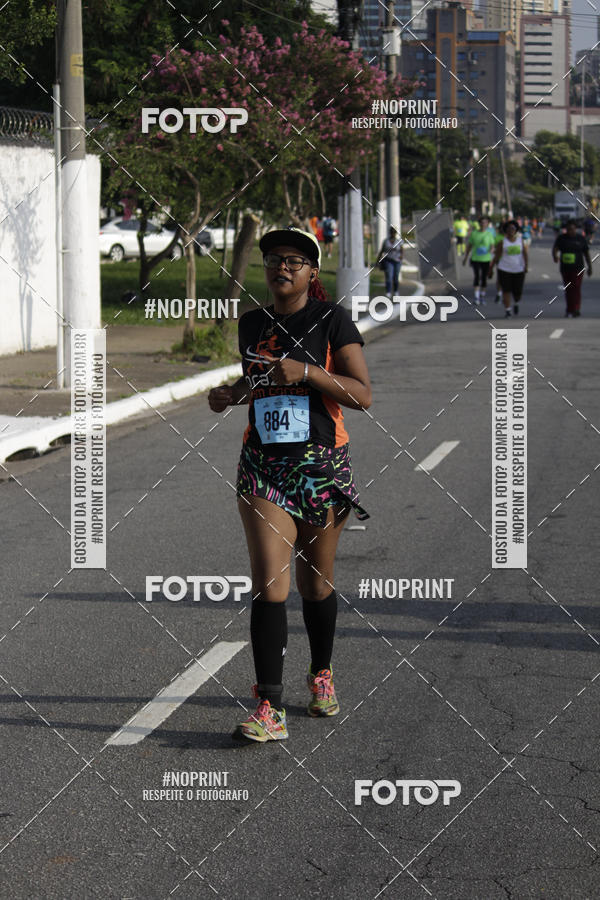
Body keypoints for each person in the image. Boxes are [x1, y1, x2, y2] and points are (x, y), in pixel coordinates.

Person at [207, 226, 372, 743]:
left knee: (314, 584)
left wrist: (309, 371)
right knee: (270, 586)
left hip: (321, 465)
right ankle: (269, 707)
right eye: (275, 259)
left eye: (294, 261)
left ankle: (320, 672)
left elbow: (363, 395)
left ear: (311, 273)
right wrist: (231, 394)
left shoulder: (332, 320)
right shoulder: (251, 322)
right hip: (262, 466)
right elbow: (259, 381)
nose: (282, 267)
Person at [552, 218, 592, 317]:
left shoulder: (580, 239)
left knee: (576, 288)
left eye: (572, 229)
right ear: (566, 229)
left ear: (575, 229)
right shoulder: (562, 238)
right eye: (569, 229)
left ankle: (576, 308)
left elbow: (586, 253)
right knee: (569, 289)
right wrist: (555, 256)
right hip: (565, 269)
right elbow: (555, 249)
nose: (571, 231)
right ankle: (569, 309)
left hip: (578, 268)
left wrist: (590, 267)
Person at [489, 219, 528, 318]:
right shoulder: (503, 242)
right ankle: (508, 310)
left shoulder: (520, 241)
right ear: (506, 231)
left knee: (517, 292)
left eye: (513, 228)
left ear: (516, 230)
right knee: (506, 290)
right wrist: (491, 269)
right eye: (509, 229)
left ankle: (516, 303)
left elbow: (525, 254)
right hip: (504, 269)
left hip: (518, 269)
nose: (511, 230)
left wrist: (526, 266)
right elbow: (497, 256)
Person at [463, 214, 495, 305]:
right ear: (479, 224)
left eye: (485, 222)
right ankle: (476, 297)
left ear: (488, 224)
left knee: (484, 278)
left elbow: (492, 245)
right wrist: (465, 258)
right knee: (477, 276)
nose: (483, 224)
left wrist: (492, 250)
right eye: (481, 222)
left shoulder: (489, 234)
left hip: (486, 259)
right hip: (475, 259)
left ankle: (482, 296)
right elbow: (469, 246)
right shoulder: (474, 233)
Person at [376, 226, 404, 298]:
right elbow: (382, 251)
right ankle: (388, 291)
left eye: (394, 232)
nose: (393, 234)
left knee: (396, 276)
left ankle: (396, 291)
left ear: (396, 233)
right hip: (388, 261)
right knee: (389, 276)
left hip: (397, 261)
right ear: (390, 233)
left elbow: (402, 250)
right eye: (392, 232)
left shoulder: (399, 241)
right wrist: (378, 260)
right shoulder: (386, 241)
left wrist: (401, 256)